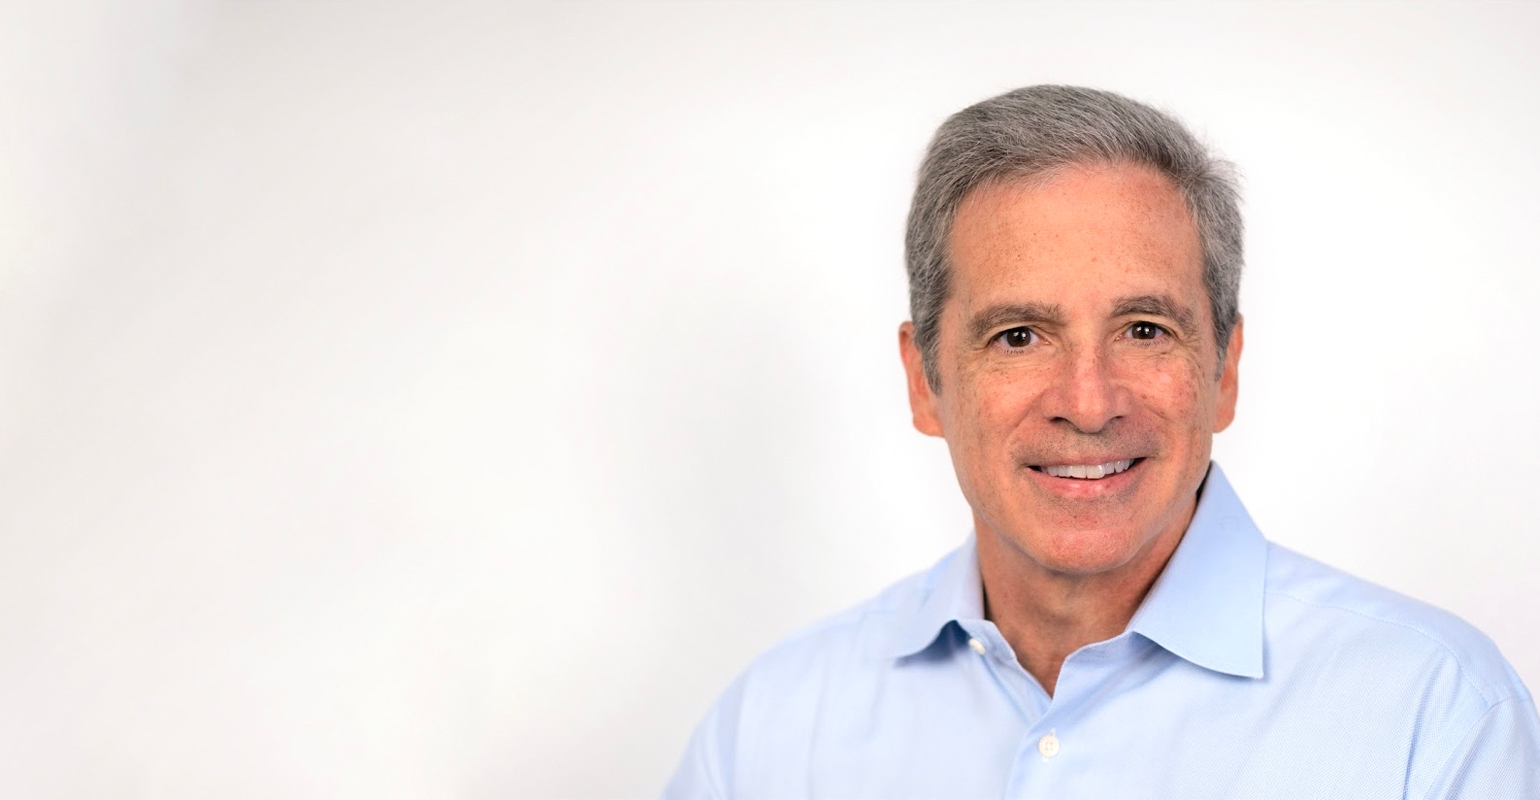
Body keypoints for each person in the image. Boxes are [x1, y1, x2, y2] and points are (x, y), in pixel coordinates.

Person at [662, 86, 1540, 799]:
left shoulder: (1437, 715)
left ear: (1224, 370)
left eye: (1145, 330)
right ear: (925, 381)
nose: (1088, 404)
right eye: (1018, 336)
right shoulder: (769, 731)